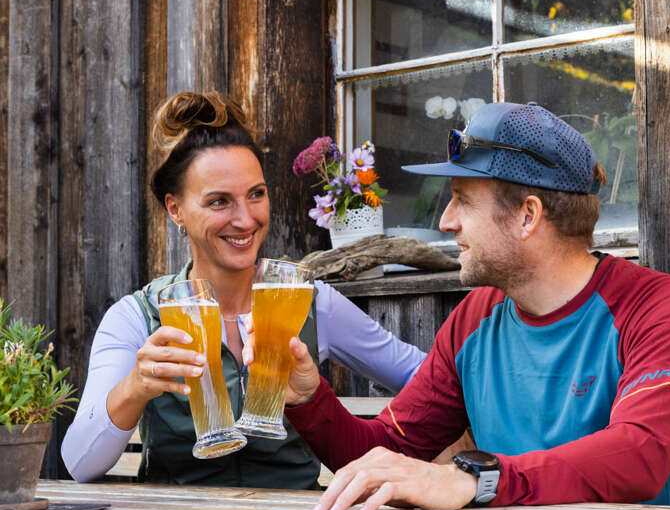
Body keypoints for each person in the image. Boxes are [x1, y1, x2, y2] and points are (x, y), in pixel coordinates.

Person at [277, 101, 670, 510]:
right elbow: (387, 450)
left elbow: (639, 453)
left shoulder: (661, 308)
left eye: (463, 199)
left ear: (528, 215)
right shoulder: (475, 318)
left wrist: (477, 480)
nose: (445, 221)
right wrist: (309, 400)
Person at [61, 91, 425, 487]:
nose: (246, 219)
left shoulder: (309, 302)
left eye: (256, 194)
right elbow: (79, 463)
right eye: (219, 202)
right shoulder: (137, 317)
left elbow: (429, 379)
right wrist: (135, 388)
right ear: (175, 210)